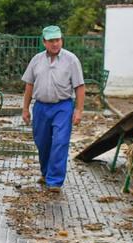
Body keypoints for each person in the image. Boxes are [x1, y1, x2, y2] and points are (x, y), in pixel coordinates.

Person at [21, 25, 85, 191]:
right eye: (51, 41)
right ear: (44, 42)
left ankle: (54, 181)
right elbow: (29, 84)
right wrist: (25, 108)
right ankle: (46, 172)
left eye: (57, 40)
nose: (55, 44)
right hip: (41, 107)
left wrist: (78, 110)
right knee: (42, 142)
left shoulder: (71, 60)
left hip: (62, 107)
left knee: (60, 142)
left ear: (61, 40)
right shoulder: (36, 59)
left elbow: (79, 86)